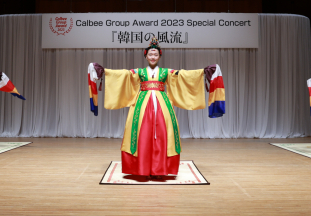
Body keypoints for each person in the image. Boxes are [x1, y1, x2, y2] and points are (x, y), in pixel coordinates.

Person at [89, 37, 225, 179]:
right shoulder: (139, 72)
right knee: (141, 133)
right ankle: (141, 168)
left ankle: (160, 169)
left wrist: (203, 71)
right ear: (145, 56)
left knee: (162, 134)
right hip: (141, 106)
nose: (153, 57)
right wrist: (104, 71)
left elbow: (184, 75)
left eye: (155, 54)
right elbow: (123, 75)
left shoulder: (166, 72)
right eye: (150, 54)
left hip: (162, 105)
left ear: (159, 56)